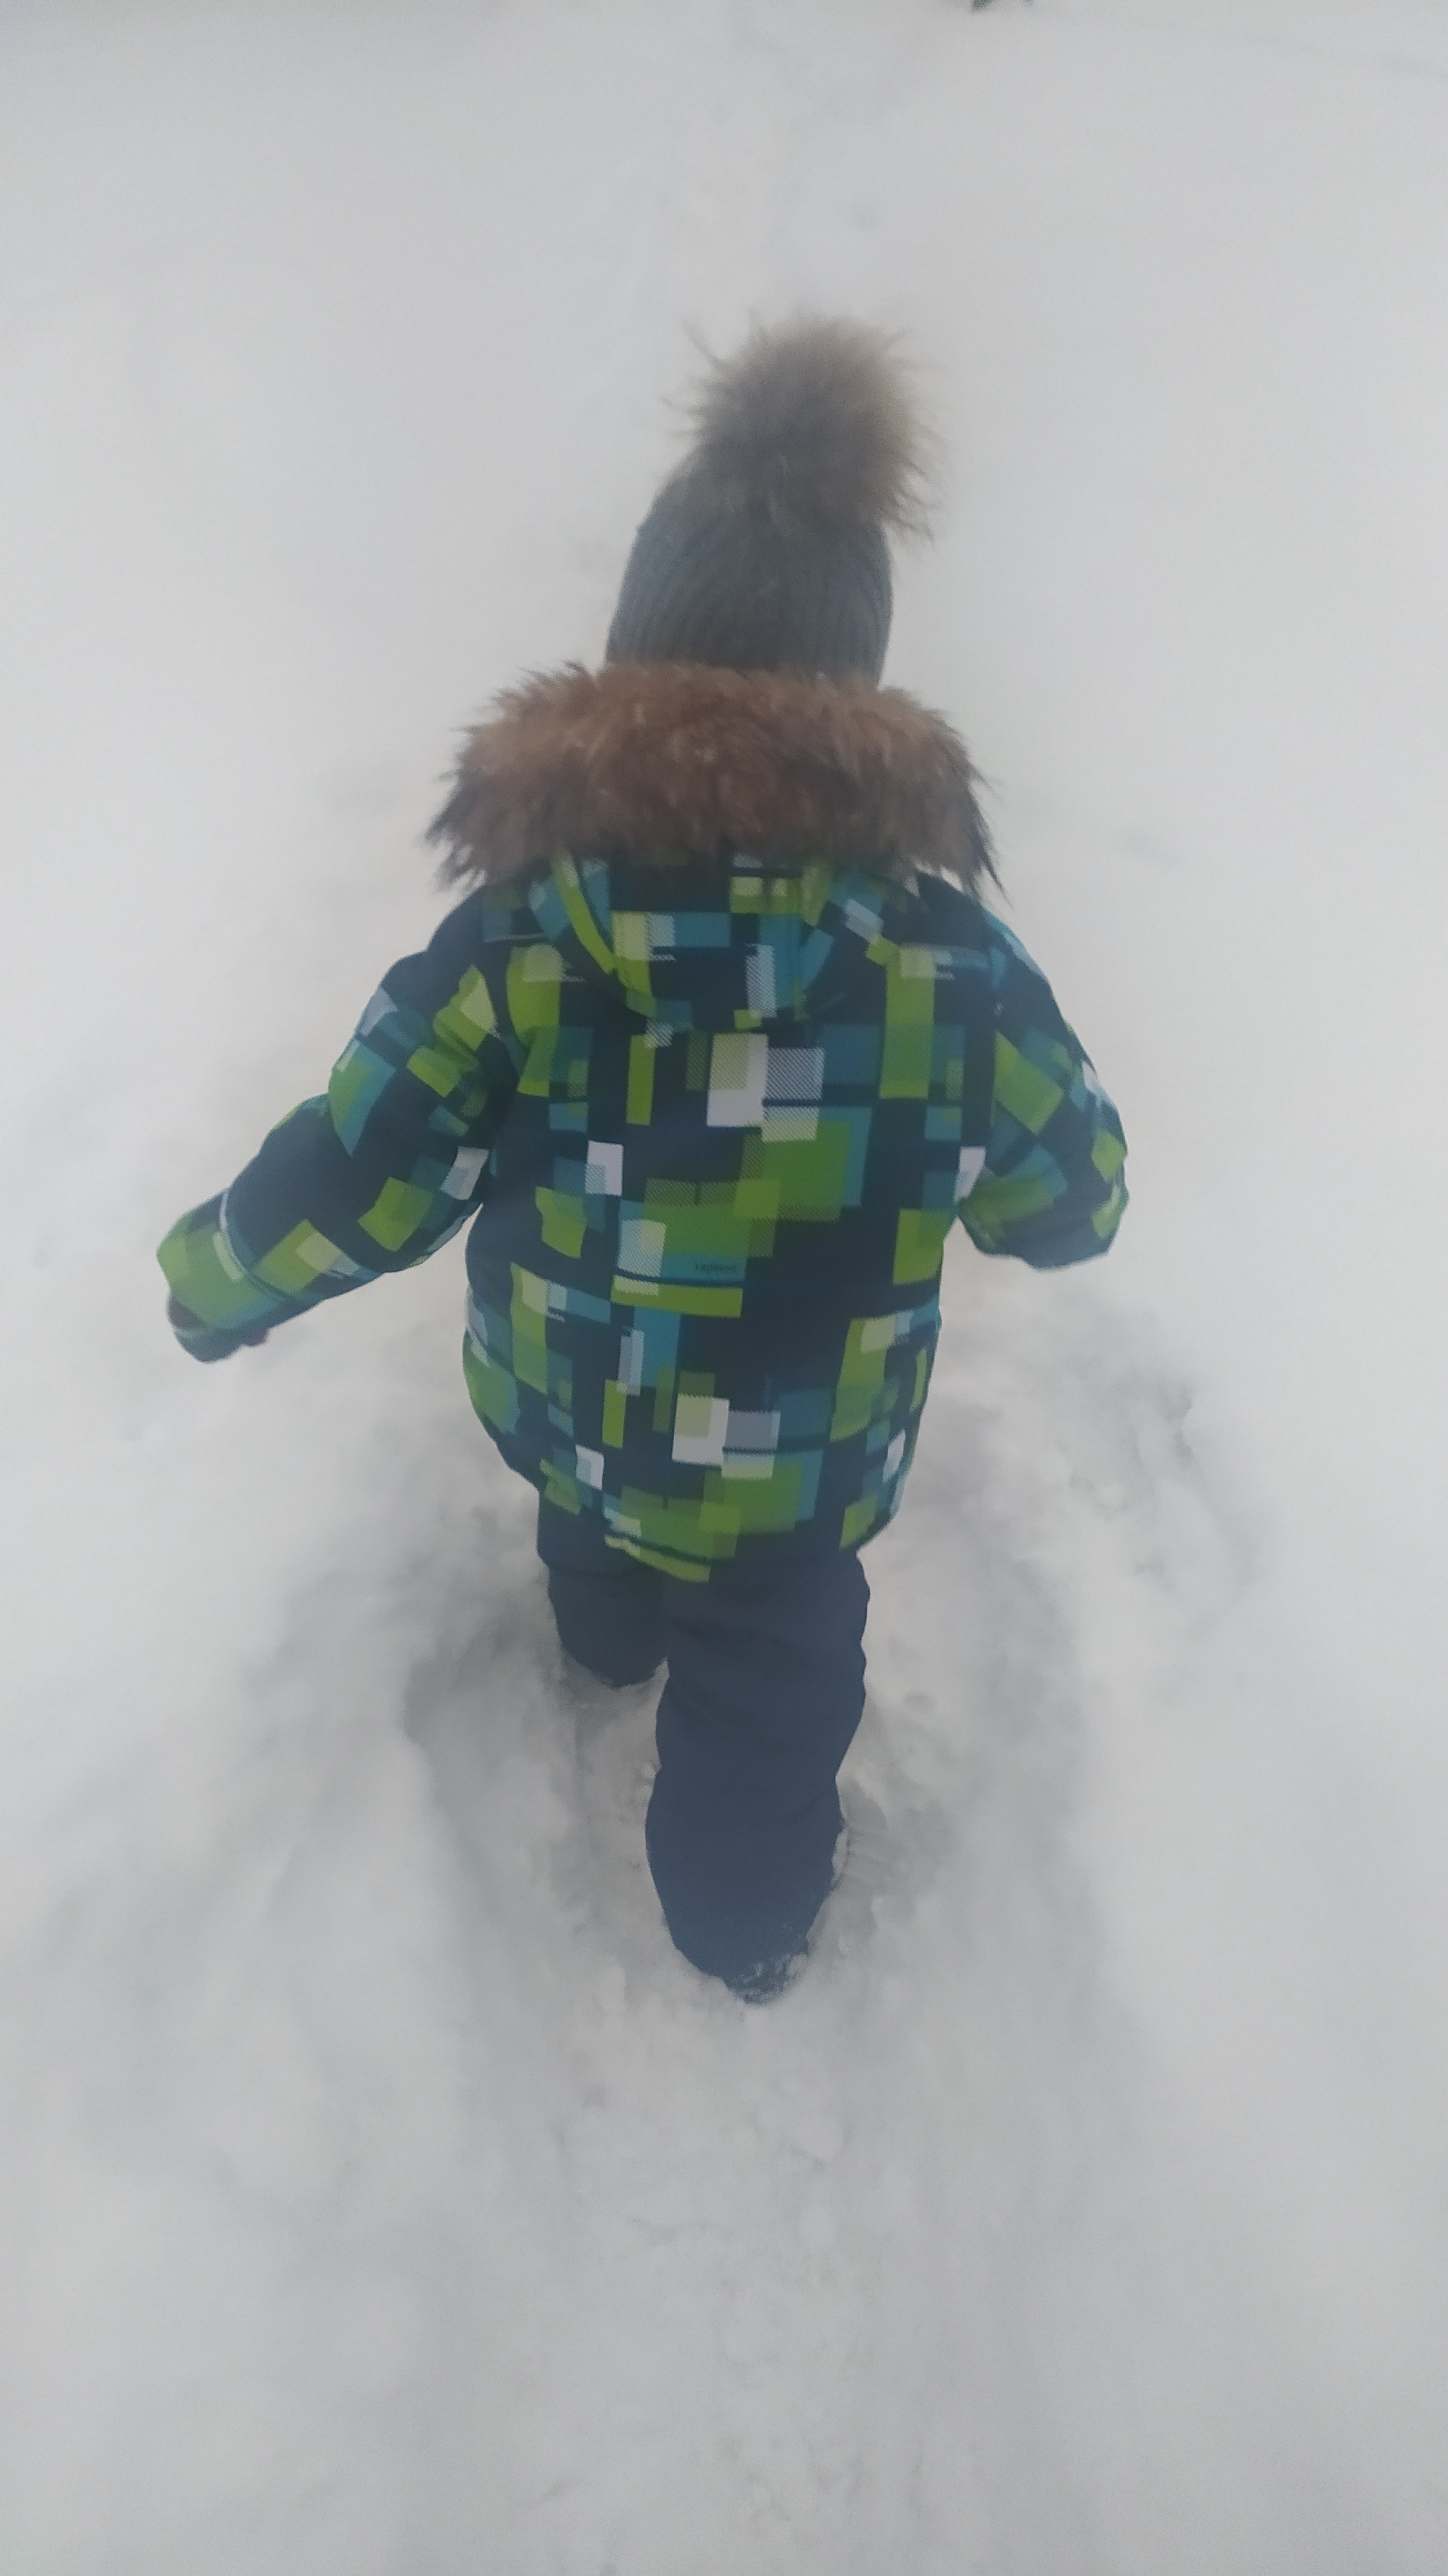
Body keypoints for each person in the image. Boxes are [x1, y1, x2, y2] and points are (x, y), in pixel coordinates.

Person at [160, 318, 1127, 2000]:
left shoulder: (525, 938)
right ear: (859, 698)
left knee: (597, 1539)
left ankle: (603, 1647)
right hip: (794, 1481)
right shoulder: (950, 969)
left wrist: (216, 1277)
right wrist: (1036, 1204)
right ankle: (742, 1931)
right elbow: (1072, 1193)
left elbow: (365, 1159)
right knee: (769, 1700)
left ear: (624, 674)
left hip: (579, 1417)